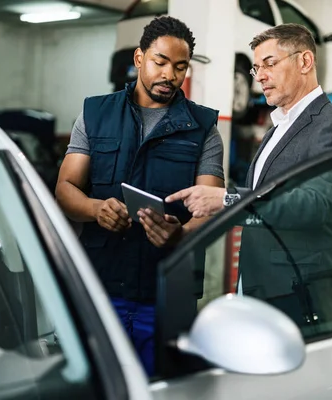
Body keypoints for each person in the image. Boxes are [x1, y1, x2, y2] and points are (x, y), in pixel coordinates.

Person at [55, 16, 224, 376]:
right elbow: (65, 189)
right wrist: (95, 208)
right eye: (160, 62)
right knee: (102, 383)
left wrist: (181, 234)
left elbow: (209, 207)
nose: (170, 75)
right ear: (139, 58)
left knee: (166, 389)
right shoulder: (94, 114)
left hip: (167, 292)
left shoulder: (204, 128)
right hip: (101, 286)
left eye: (180, 67)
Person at [166, 23, 332, 329]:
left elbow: (317, 205)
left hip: (302, 293)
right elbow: (262, 204)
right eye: (256, 67)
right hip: (259, 286)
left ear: (305, 61)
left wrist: (228, 199)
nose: (259, 76)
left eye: (269, 64)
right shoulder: (277, 129)